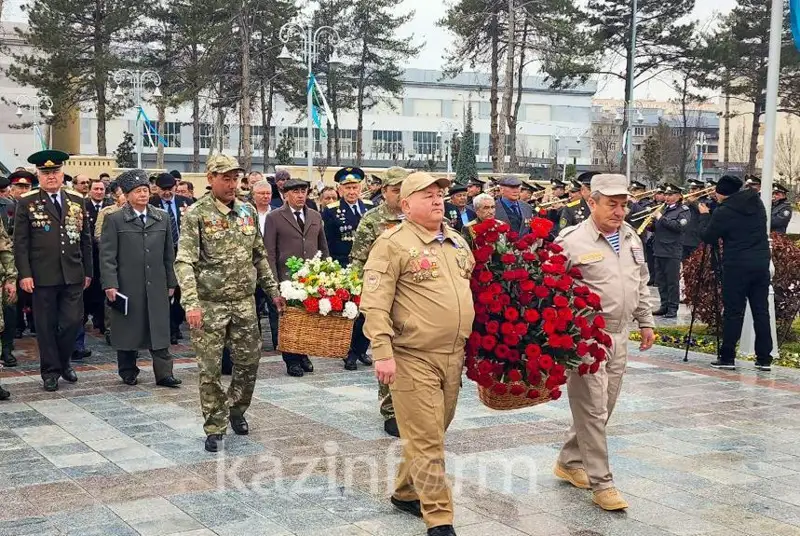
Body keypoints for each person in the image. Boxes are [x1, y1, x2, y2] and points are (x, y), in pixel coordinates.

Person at [360, 172, 474, 536]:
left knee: (433, 432)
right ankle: (440, 519)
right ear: (406, 205)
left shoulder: (456, 241)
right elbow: (374, 304)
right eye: (426, 195)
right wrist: (382, 352)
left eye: (439, 193)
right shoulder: (391, 243)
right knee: (427, 440)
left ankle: (406, 491)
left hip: (453, 357)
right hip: (412, 356)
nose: (438, 199)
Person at [553, 173, 655, 511]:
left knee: (604, 405)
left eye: (624, 204)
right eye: (612, 204)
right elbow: (552, 286)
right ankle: (602, 482)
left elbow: (640, 282)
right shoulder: (571, 240)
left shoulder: (630, 238)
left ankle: (569, 460)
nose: (619, 211)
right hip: (587, 336)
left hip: (620, 333)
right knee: (593, 409)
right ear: (591, 202)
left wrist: (646, 321)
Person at [175, 154, 284, 453]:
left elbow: (259, 256)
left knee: (249, 363)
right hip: (209, 305)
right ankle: (214, 425)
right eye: (225, 178)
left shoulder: (247, 212)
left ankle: (236, 409)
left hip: (244, 303)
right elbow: (184, 262)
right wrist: (192, 302)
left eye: (235, 178)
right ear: (210, 179)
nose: (232, 184)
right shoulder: (196, 214)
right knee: (210, 369)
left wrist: (273, 290)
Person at [14, 150, 92, 392]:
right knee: (46, 326)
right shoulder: (27, 202)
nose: (51, 177)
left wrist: (88, 271)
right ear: (38, 175)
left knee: (71, 322)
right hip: (42, 276)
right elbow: (21, 242)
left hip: (73, 274)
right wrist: (25, 274)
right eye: (46, 173)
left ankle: (64, 361)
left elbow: (85, 239)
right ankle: (50, 371)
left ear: (62, 174)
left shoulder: (77, 200)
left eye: (55, 172)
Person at [100, 170, 181, 388]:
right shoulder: (115, 219)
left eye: (145, 190)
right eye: (138, 191)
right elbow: (107, 256)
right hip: (127, 283)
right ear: (126, 195)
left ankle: (164, 373)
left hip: (156, 283)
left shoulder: (161, 217)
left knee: (159, 328)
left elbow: (168, 255)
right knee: (128, 328)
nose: (143, 195)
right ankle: (128, 370)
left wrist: (171, 282)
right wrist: (110, 284)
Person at [348, 167, 408, 433]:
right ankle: (391, 410)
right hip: (385, 296)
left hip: (414, 297)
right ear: (384, 192)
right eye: (396, 190)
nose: (400, 195)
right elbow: (358, 259)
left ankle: (412, 405)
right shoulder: (372, 220)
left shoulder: (417, 217)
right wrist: (359, 295)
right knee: (387, 351)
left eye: (405, 190)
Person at [701, 175, 772, 371]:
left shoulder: (724, 211)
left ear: (721, 193)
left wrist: (705, 216)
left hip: (737, 266)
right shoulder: (756, 204)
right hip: (760, 263)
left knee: (733, 311)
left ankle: (727, 357)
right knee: (761, 310)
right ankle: (764, 358)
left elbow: (709, 236)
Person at [264, 178, 329, 377]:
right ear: (285, 195)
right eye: (296, 192)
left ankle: (303, 354)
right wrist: (273, 282)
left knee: (308, 318)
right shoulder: (274, 217)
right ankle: (291, 359)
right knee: (288, 320)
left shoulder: (315, 215)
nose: (300, 195)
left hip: (310, 278)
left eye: (303, 191)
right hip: (286, 278)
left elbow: (323, 247)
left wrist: (326, 273)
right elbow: (270, 252)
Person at [150, 172, 192, 345]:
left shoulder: (187, 203)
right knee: (165, 293)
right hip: (161, 255)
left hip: (183, 253)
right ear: (156, 189)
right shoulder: (151, 204)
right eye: (163, 189)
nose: (167, 193)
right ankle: (168, 329)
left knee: (182, 293)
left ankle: (175, 324)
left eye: (170, 189)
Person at [75, 179, 112, 359]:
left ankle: (102, 323)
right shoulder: (84, 206)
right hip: (88, 257)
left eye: (101, 189)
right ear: (90, 191)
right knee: (88, 293)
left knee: (102, 291)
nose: (99, 192)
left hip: (105, 256)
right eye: (95, 189)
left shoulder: (110, 207)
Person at [652, 183, 690, 318]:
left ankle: (673, 308)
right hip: (659, 249)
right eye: (666, 194)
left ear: (679, 196)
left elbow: (679, 227)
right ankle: (664, 305)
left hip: (672, 250)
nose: (667, 197)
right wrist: (650, 224)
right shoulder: (663, 209)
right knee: (660, 280)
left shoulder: (683, 210)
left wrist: (660, 219)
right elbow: (658, 227)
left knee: (672, 281)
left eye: (670, 194)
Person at [323, 167, 373, 266]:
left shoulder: (370, 206)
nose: (351, 192)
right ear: (340, 190)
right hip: (342, 263)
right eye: (347, 188)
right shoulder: (331, 210)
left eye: (354, 187)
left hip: (367, 261)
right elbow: (327, 240)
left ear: (360, 188)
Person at [250, 179, 280, 350]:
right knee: (253, 308)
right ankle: (256, 341)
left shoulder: (277, 213)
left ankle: (278, 341)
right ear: (254, 195)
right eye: (261, 193)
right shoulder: (245, 213)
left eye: (268, 193)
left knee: (275, 304)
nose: (265, 196)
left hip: (271, 267)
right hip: (251, 269)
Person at [8, 171, 35, 339]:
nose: (23, 190)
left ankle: (33, 322)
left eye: (26, 186)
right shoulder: (7, 205)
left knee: (33, 291)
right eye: (19, 186)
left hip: (32, 255)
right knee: (15, 291)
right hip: (11, 255)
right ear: (12, 188)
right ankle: (18, 325)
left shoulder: (37, 205)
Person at [681, 179, 711, 260]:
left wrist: (694, 202)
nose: (691, 191)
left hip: (696, 240)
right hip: (684, 239)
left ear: (701, 190)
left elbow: (705, 212)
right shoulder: (687, 201)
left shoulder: (707, 201)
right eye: (690, 188)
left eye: (694, 189)